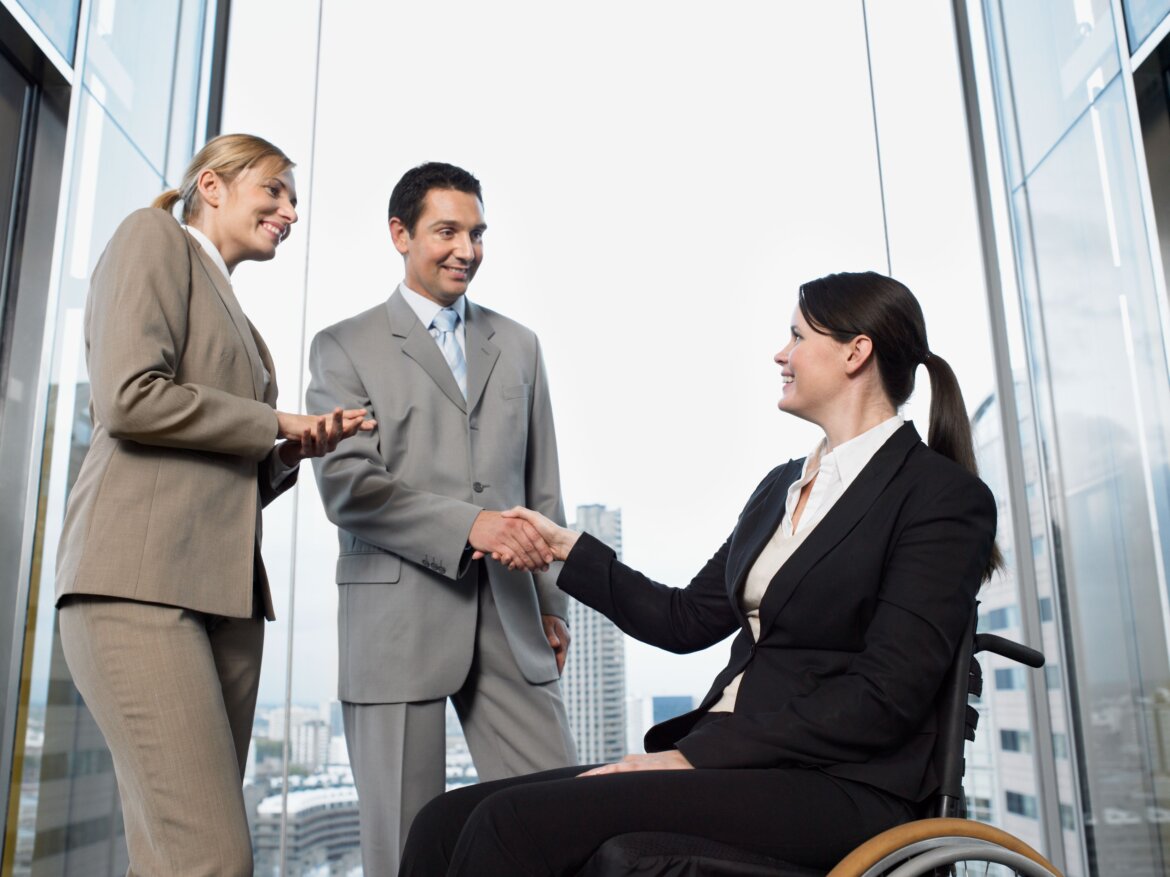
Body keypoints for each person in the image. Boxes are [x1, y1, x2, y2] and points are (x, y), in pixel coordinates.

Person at [400, 270, 1001, 876]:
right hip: (741, 764)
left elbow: (883, 696)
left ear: (856, 352)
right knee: (443, 822)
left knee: (511, 824)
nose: (781, 354)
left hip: (843, 783)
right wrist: (565, 547)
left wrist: (699, 756)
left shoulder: (940, 496)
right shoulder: (782, 487)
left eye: (797, 336)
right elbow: (684, 619)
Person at [55, 133, 373, 876]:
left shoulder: (249, 334)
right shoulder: (152, 236)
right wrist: (274, 420)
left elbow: (226, 474)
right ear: (213, 186)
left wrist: (287, 451)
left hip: (223, 599)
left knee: (174, 857)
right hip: (139, 585)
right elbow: (129, 397)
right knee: (213, 858)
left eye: (294, 200)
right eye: (274, 190)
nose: (290, 211)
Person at [306, 161, 577, 874]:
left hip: (512, 614)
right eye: (447, 232)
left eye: (477, 233)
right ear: (400, 234)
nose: (467, 249)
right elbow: (348, 486)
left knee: (563, 822)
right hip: (395, 625)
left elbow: (544, 487)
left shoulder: (519, 345)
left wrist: (551, 603)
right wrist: (469, 526)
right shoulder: (344, 346)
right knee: (405, 850)